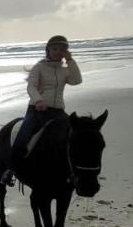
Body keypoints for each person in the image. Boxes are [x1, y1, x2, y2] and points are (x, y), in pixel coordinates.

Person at [6, 35, 83, 179]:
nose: (58, 52)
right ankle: (11, 170)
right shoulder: (39, 67)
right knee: (23, 136)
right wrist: (38, 100)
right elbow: (31, 87)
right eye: (55, 49)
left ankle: (73, 169)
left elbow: (77, 80)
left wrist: (70, 60)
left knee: (76, 135)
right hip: (37, 110)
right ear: (48, 50)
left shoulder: (65, 70)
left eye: (62, 49)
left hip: (58, 111)